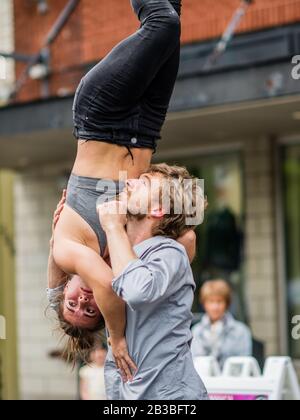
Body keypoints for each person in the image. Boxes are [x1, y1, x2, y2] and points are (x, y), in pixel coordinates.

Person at [49, 0, 183, 377]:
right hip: (146, 126)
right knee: (172, 10)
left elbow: (106, 287)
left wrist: (117, 338)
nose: (83, 302)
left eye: (72, 303)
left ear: (64, 290)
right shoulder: (122, 255)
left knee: (162, 23)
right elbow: (184, 243)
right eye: (88, 311)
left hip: (101, 116)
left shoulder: (66, 251)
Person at [100, 163, 209, 400]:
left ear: (159, 210)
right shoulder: (122, 254)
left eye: (145, 182)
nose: (129, 181)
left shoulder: (170, 252)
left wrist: (113, 226)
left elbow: (138, 291)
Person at [191, 280, 252, 368]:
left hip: (231, 381)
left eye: (219, 301)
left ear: (226, 303)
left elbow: (244, 365)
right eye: (211, 301)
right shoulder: (196, 331)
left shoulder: (241, 331)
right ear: (204, 304)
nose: (215, 307)